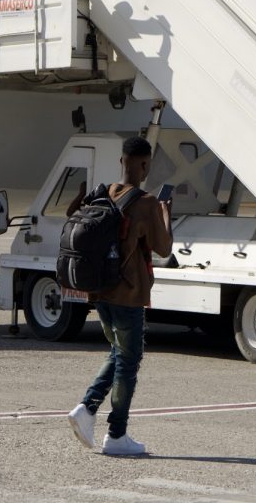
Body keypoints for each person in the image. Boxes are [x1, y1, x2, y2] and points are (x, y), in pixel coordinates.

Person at [67, 137, 173, 456]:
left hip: (102, 292)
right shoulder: (147, 203)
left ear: (121, 161)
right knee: (128, 363)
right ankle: (115, 432)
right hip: (129, 295)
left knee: (118, 354)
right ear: (143, 164)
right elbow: (164, 248)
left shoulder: (105, 193)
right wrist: (166, 215)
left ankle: (88, 411)